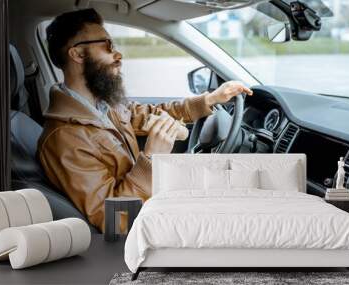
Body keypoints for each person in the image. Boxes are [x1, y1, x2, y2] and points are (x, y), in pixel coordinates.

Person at [37, 8, 253, 232]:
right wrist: (150, 159)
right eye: (108, 46)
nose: (118, 55)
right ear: (79, 54)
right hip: (144, 229)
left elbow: (155, 113)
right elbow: (115, 222)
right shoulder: (65, 140)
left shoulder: (103, 106)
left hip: (152, 206)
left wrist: (210, 99)